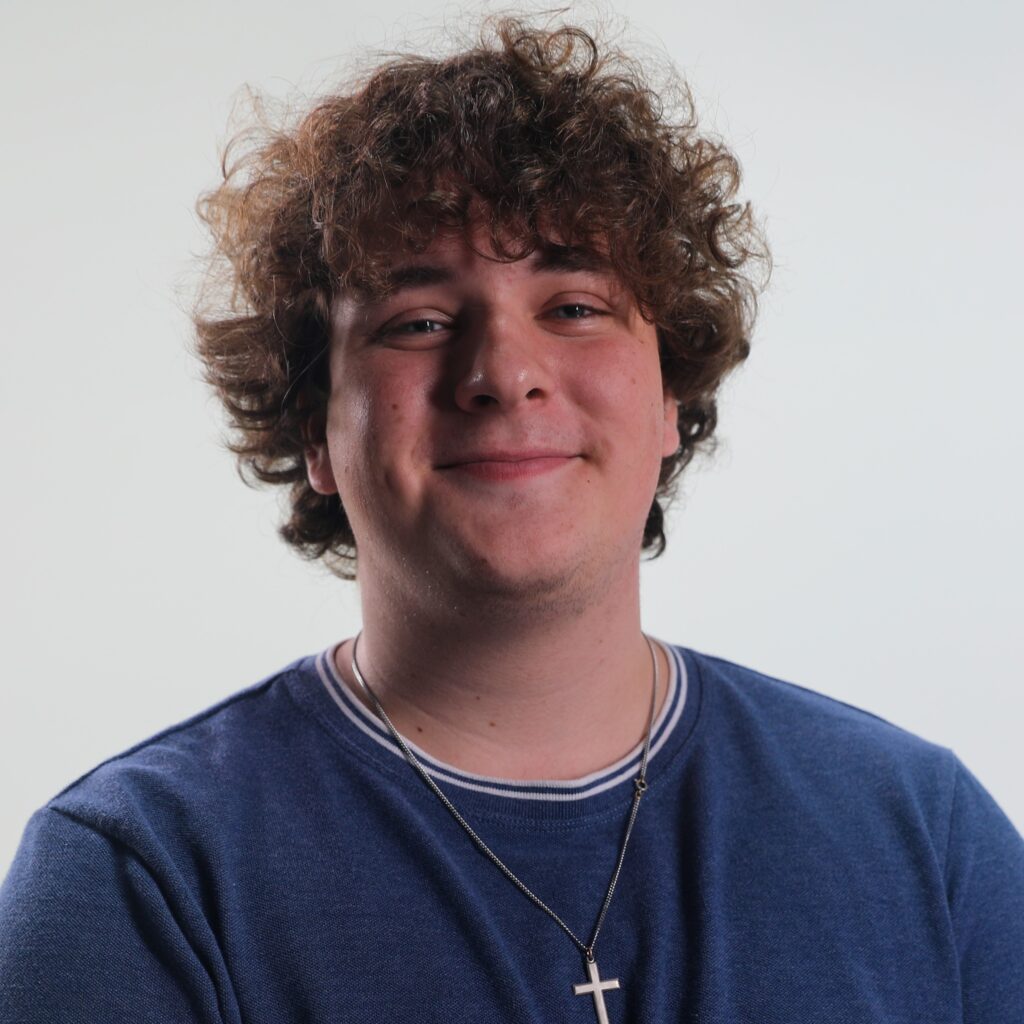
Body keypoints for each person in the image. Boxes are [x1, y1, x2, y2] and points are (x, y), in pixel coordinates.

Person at [1, 16, 1021, 1023]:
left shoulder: (922, 835)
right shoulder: (142, 879)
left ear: (672, 397)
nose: (503, 373)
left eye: (574, 305)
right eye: (421, 323)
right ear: (314, 430)